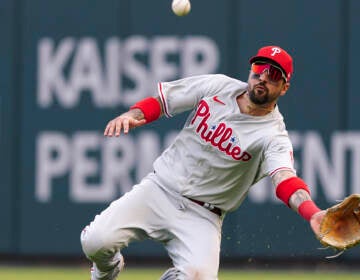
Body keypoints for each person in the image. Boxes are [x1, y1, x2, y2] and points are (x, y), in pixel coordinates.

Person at [80, 45, 326, 280]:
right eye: (259, 68)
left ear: (284, 87)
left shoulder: (274, 136)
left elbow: (285, 180)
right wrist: (132, 114)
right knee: (95, 241)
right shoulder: (218, 86)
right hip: (159, 189)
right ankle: (108, 269)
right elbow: (164, 101)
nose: (263, 77)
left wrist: (313, 214)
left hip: (202, 215)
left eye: (273, 75)